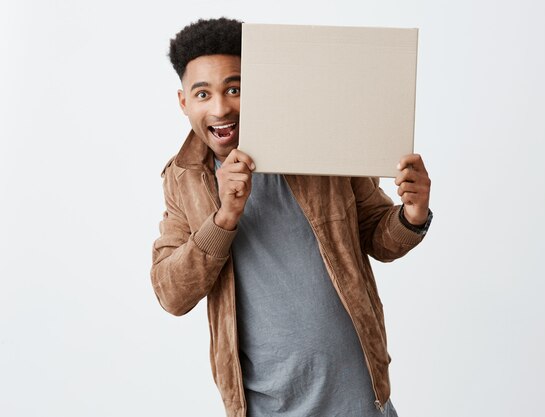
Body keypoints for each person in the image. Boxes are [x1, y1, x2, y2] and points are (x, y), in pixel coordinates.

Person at [151, 17, 433, 417]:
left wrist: (412, 214)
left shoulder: (320, 146)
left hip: (356, 398)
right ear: (184, 102)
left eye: (235, 89)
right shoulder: (182, 180)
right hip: (263, 406)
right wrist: (224, 217)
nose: (220, 108)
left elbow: (376, 236)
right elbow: (171, 293)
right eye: (202, 94)